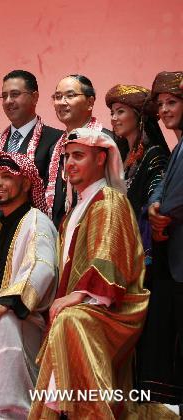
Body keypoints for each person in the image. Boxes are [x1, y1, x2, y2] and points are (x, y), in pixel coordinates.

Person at [29, 128, 149, 419]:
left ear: (100, 159)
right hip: (87, 303)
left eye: (78, 156)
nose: (69, 163)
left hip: (112, 305)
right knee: (63, 318)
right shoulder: (75, 210)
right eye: (67, 156)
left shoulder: (109, 200)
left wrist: (78, 296)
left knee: (71, 320)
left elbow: (108, 256)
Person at [0, 152, 57, 419]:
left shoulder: (36, 221)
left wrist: (7, 302)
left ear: (27, 184)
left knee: (2, 321)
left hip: (25, 321)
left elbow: (42, 267)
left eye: (7, 177)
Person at [143, 71, 183, 404]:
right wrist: (155, 204)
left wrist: (161, 209)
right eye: (161, 104)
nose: (165, 110)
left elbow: (176, 197)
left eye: (173, 102)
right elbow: (162, 186)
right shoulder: (177, 144)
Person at [45, 74, 115, 226]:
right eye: (57, 97)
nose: (61, 103)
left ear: (90, 102)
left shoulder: (106, 141)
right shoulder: (55, 148)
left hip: (97, 226)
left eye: (70, 96)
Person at [0, 70, 63, 185]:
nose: (8, 101)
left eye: (15, 94)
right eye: (4, 96)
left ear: (34, 97)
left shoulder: (57, 139)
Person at [105, 84, 170, 221]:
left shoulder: (155, 156)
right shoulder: (121, 156)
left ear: (139, 115)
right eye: (112, 113)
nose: (113, 118)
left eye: (120, 112)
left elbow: (154, 203)